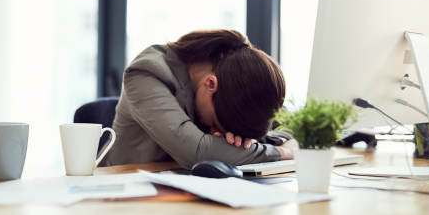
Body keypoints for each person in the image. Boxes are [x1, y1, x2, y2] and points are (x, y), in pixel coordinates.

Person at [98, 29, 299, 169]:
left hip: (190, 189)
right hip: (127, 191)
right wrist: (282, 152)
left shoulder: (238, 78)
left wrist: (249, 139)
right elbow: (198, 152)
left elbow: (293, 128)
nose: (216, 134)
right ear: (210, 84)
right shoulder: (146, 73)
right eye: (213, 122)